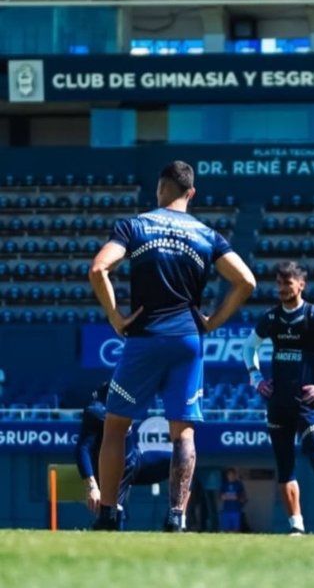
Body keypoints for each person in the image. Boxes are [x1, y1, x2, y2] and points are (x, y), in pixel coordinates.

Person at [88, 161, 256, 531]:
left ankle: (109, 513)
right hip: (187, 340)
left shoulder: (135, 226)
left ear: (160, 188)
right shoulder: (208, 234)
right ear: (191, 193)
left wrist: (116, 317)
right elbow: (246, 281)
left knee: (115, 427)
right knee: (184, 433)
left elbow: (98, 269)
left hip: (145, 338)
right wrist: (213, 321)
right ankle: (177, 515)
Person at [243, 261, 314, 534]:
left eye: (287, 283)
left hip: (308, 405)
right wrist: (256, 378)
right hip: (278, 404)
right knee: (285, 466)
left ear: (301, 285)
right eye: (279, 283)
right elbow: (249, 348)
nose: (282, 289)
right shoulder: (271, 318)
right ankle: (296, 527)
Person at [75, 382, 172, 529]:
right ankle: (100, 528)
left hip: (134, 462)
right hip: (112, 471)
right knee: (113, 517)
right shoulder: (96, 411)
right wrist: (92, 486)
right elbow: (82, 448)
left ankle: (175, 519)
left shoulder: (127, 403)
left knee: (179, 462)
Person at [219, 468, 247, 533]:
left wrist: (237, 497)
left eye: (232, 474)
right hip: (226, 510)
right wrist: (226, 497)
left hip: (236, 510)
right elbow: (221, 496)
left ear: (235, 475)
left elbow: (243, 497)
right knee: (225, 529)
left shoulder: (239, 484)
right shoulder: (224, 484)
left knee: (236, 529)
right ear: (227, 475)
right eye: (229, 475)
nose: (231, 476)